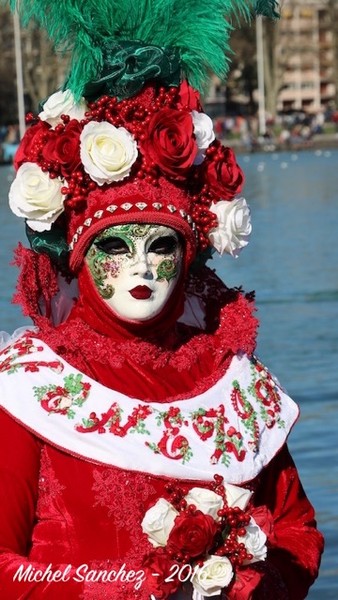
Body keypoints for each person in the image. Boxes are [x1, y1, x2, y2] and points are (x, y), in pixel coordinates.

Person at [0, 1, 323, 598]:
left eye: (163, 245)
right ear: (79, 256)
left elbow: (297, 532)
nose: (143, 266)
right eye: (116, 245)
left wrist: (251, 582)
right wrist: (124, 589)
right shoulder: (26, 387)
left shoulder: (233, 385)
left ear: (190, 251)